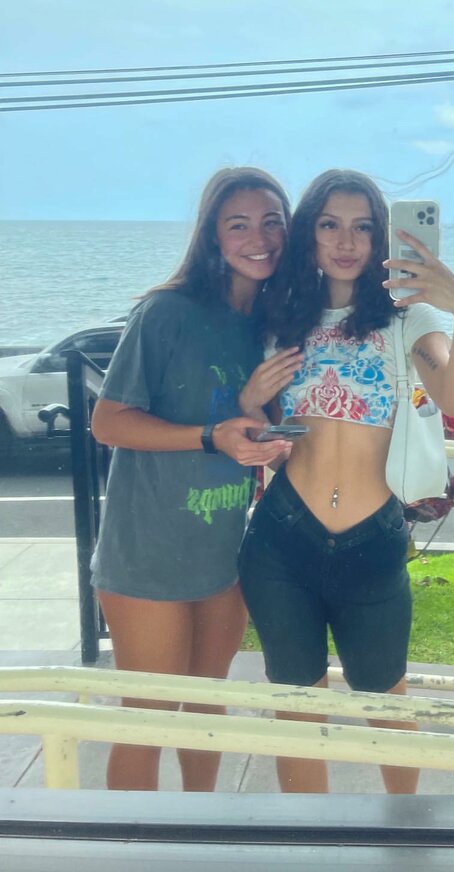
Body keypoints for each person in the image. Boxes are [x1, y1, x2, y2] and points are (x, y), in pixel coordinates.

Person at [237, 169, 454, 794]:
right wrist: (250, 400)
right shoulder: (281, 319)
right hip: (282, 539)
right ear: (309, 234)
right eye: (330, 225)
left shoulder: (406, 321)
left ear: (381, 238)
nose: (345, 242)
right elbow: (263, 434)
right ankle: (311, 838)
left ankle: (405, 835)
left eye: (362, 227)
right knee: (298, 711)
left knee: (387, 707)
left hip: (371, 541)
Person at [90, 167, 304, 792]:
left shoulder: (269, 327)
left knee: (208, 708)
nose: (258, 238)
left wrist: (261, 423)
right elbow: (108, 422)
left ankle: (199, 829)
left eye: (271, 222)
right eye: (238, 224)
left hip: (224, 556)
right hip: (147, 557)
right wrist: (210, 435)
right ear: (213, 236)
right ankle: (134, 841)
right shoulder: (167, 313)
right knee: (148, 721)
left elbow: (265, 442)